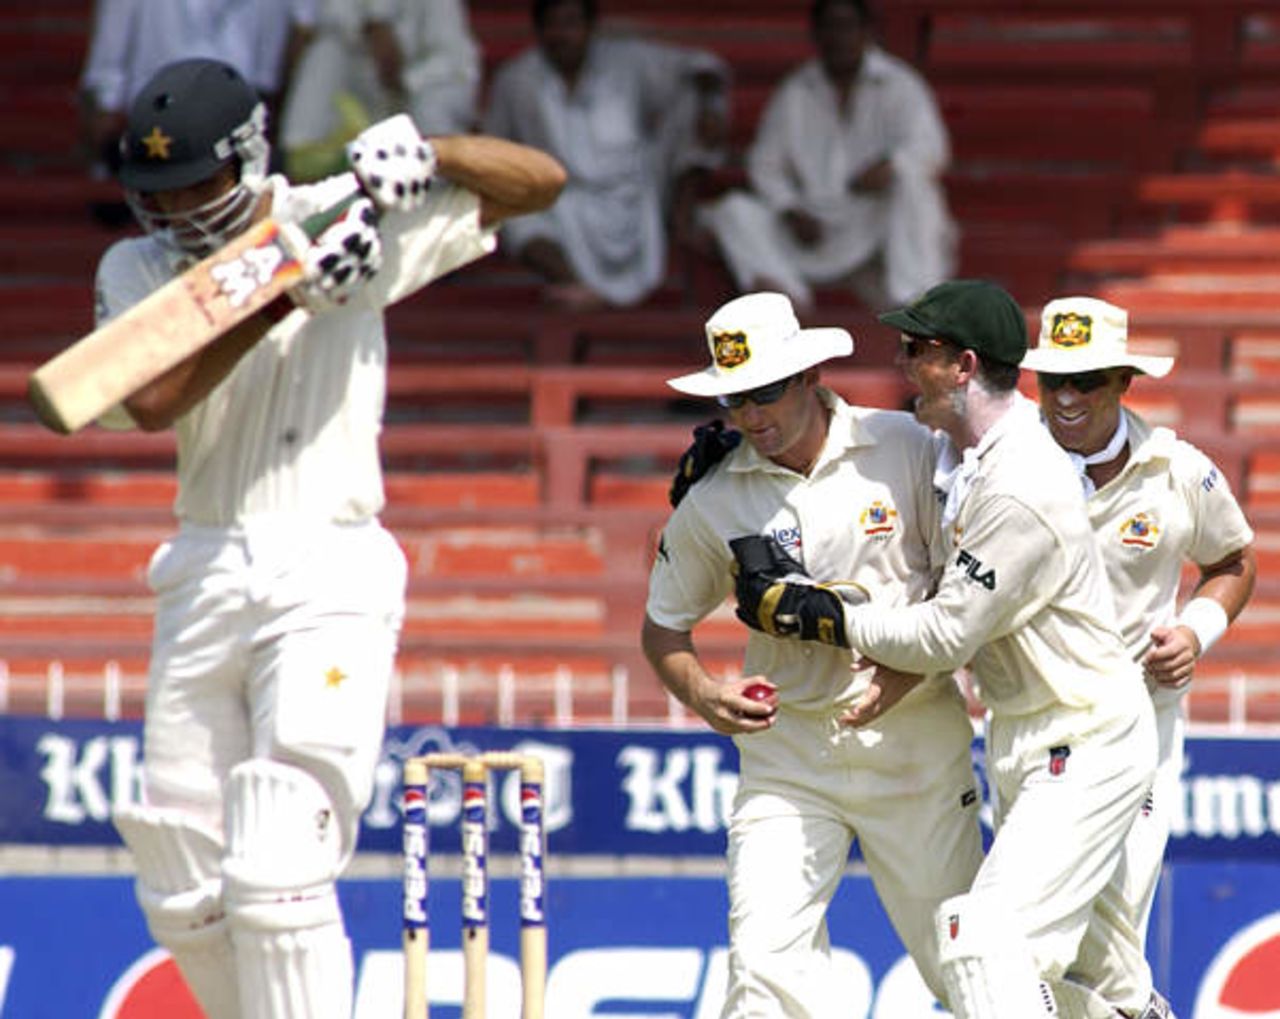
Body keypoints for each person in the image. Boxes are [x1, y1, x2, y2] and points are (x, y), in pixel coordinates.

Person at [97, 58, 564, 1019]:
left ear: (247, 156)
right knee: (181, 881)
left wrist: (432, 151)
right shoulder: (134, 269)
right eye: (159, 190)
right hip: (203, 562)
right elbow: (150, 398)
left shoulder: (342, 213)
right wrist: (284, 287)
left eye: (195, 183)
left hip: (329, 563)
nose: (177, 207)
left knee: (279, 861)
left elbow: (541, 183)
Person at [729, 279, 1167, 1018]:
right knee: (1087, 981)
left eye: (915, 350)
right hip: (1026, 738)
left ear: (963, 366)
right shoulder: (963, 457)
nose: (901, 363)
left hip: (1086, 736)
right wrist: (733, 449)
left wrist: (825, 614)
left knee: (978, 944)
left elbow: (944, 634)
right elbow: (862, 450)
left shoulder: (1019, 482)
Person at [642, 291, 985, 1017]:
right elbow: (663, 628)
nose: (751, 415)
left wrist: (906, 671)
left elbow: (968, 592)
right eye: (735, 399)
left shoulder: (907, 445)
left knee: (968, 968)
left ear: (808, 376)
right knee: (764, 972)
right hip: (788, 759)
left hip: (916, 749)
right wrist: (705, 694)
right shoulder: (713, 497)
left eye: (765, 392)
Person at [1022, 296, 1256, 1016]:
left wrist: (1195, 632)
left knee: (1113, 907)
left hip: (1137, 719)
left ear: (1124, 382)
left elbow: (1233, 560)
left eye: (1086, 381)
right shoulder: (1005, 468)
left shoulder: (1176, 470)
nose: (1065, 397)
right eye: (1053, 380)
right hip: (1031, 721)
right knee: (1042, 922)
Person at [698, 0, 955, 313]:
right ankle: (785, 300)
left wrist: (891, 167)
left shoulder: (900, 84)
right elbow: (765, 165)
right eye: (829, 28)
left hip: (870, 220)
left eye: (846, 27)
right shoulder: (795, 91)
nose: (838, 37)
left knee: (914, 187)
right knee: (733, 211)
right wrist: (790, 209)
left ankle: (917, 302)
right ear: (816, 34)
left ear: (866, 32)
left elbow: (931, 148)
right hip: (809, 224)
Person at [483, 0, 730, 310]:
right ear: (539, 30)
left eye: (570, 24)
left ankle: (682, 217)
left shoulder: (628, 61)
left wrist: (710, 107)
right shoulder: (516, 79)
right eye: (552, 25)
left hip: (636, 197)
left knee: (693, 99)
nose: (561, 35)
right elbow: (495, 145)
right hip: (560, 199)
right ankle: (575, 284)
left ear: (590, 28)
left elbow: (702, 66)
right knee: (512, 214)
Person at [78, 0, 316, 178]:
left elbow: (301, 30)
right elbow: (107, 61)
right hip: (156, 116)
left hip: (238, 115)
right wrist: (106, 108)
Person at [279, 0, 483, 181]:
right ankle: (302, 167)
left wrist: (404, 80)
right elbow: (332, 19)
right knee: (325, 53)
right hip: (369, 95)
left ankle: (435, 187)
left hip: (423, 86)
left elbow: (453, 60)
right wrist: (374, 24)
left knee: (431, 108)